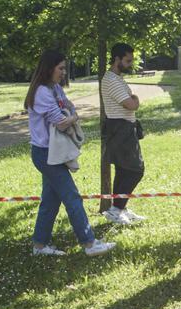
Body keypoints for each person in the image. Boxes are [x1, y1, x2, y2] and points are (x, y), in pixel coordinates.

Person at [25, 49, 116, 257]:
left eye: (64, 68)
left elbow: (69, 107)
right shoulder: (41, 92)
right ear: (49, 68)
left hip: (53, 153)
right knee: (72, 197)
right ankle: (89, 243)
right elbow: (63, 123)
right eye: (61, 68)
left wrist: (71, 114)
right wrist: (74, 118)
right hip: (46, 155)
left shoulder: (55, 88)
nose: (64, 72)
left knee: (50, 200)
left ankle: (39, 246)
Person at [100, 43, 145, 225]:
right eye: (127, 60)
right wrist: (135, 99)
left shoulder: (117, 78)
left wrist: (133, 99)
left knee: (124, 170)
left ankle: (119, 209)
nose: (129, 64)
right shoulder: (111, 79)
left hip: (124, 129)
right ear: (117, 59)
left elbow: (130, 101)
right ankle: (116, 209)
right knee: (136, 170)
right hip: (120, 129)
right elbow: (131, 104)